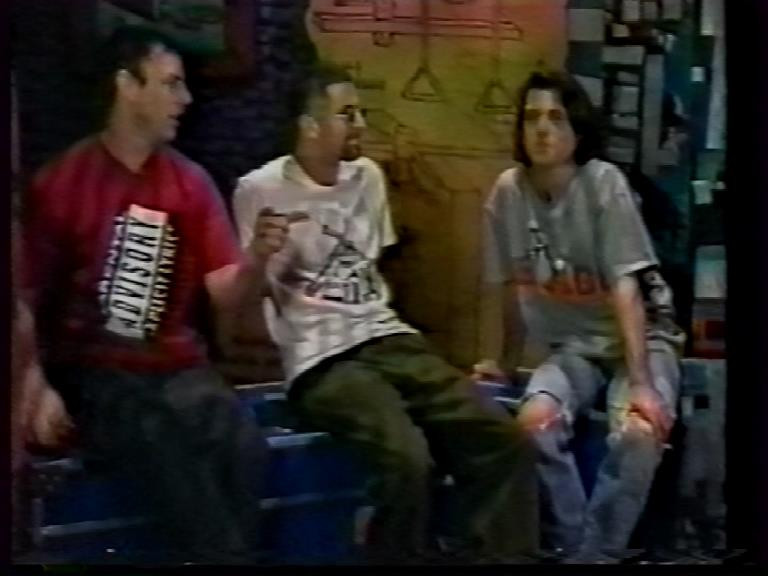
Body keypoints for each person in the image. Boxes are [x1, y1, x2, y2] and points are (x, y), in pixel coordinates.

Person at [231, 63, 538, 564]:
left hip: (387, 337)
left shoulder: (368, 178)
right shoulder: (258, 190)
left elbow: (371, 273)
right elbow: (243, 308)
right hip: (320, 359)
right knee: (407, 460)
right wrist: (258, 256)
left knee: (504, 441)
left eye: (360, 112)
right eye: (347, 114)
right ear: (310, 126)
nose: (361, 124)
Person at [20, 27, 274, 564]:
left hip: (176, 366)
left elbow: (226, 295)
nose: (186, 99)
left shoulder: (192, 183)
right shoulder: (61, 182)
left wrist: (257, 261)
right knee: (160, 440)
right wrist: (35, 384)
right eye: (171, 84)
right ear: (127, 86)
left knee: (242, 442)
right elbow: (26, 299)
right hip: (93, 369)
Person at [476, 70, 685, 563]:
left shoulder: (602, 184)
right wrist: (504, 363)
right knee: (534, 424)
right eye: (532, 118)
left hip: (642, 339)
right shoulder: (507, 193)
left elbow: (626, 288)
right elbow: (507, 289)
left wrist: (641, 384)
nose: (542, 129)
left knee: (639, 432)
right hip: (574, 348)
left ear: (577, 130)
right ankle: (576, 547)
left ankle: (597, 555)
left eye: (556, 118)